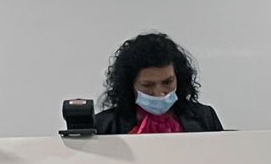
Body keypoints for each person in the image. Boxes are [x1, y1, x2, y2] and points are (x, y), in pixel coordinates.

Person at [93, 33, 224, 134]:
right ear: (130, 85)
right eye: (147, 85)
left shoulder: (205, 117)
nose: (160, 93)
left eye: (168, 82)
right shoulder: (104, 125)